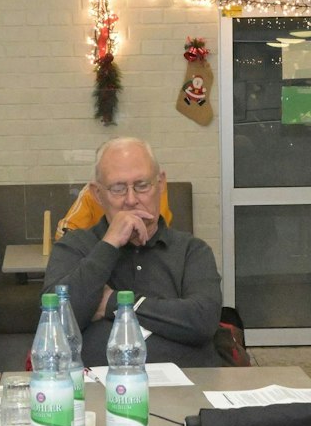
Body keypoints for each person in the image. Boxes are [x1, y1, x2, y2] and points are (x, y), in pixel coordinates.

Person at [46, 137, 223, 368]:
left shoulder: (192, 250)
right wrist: (109, 244)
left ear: (161, 184)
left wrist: (114, 303)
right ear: (97, 194)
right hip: (97, 393)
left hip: (187, 389)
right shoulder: (75, 246)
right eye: (118, 189)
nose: (131, 200)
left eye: (142, 185)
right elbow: (55, 322)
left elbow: (203, 321)